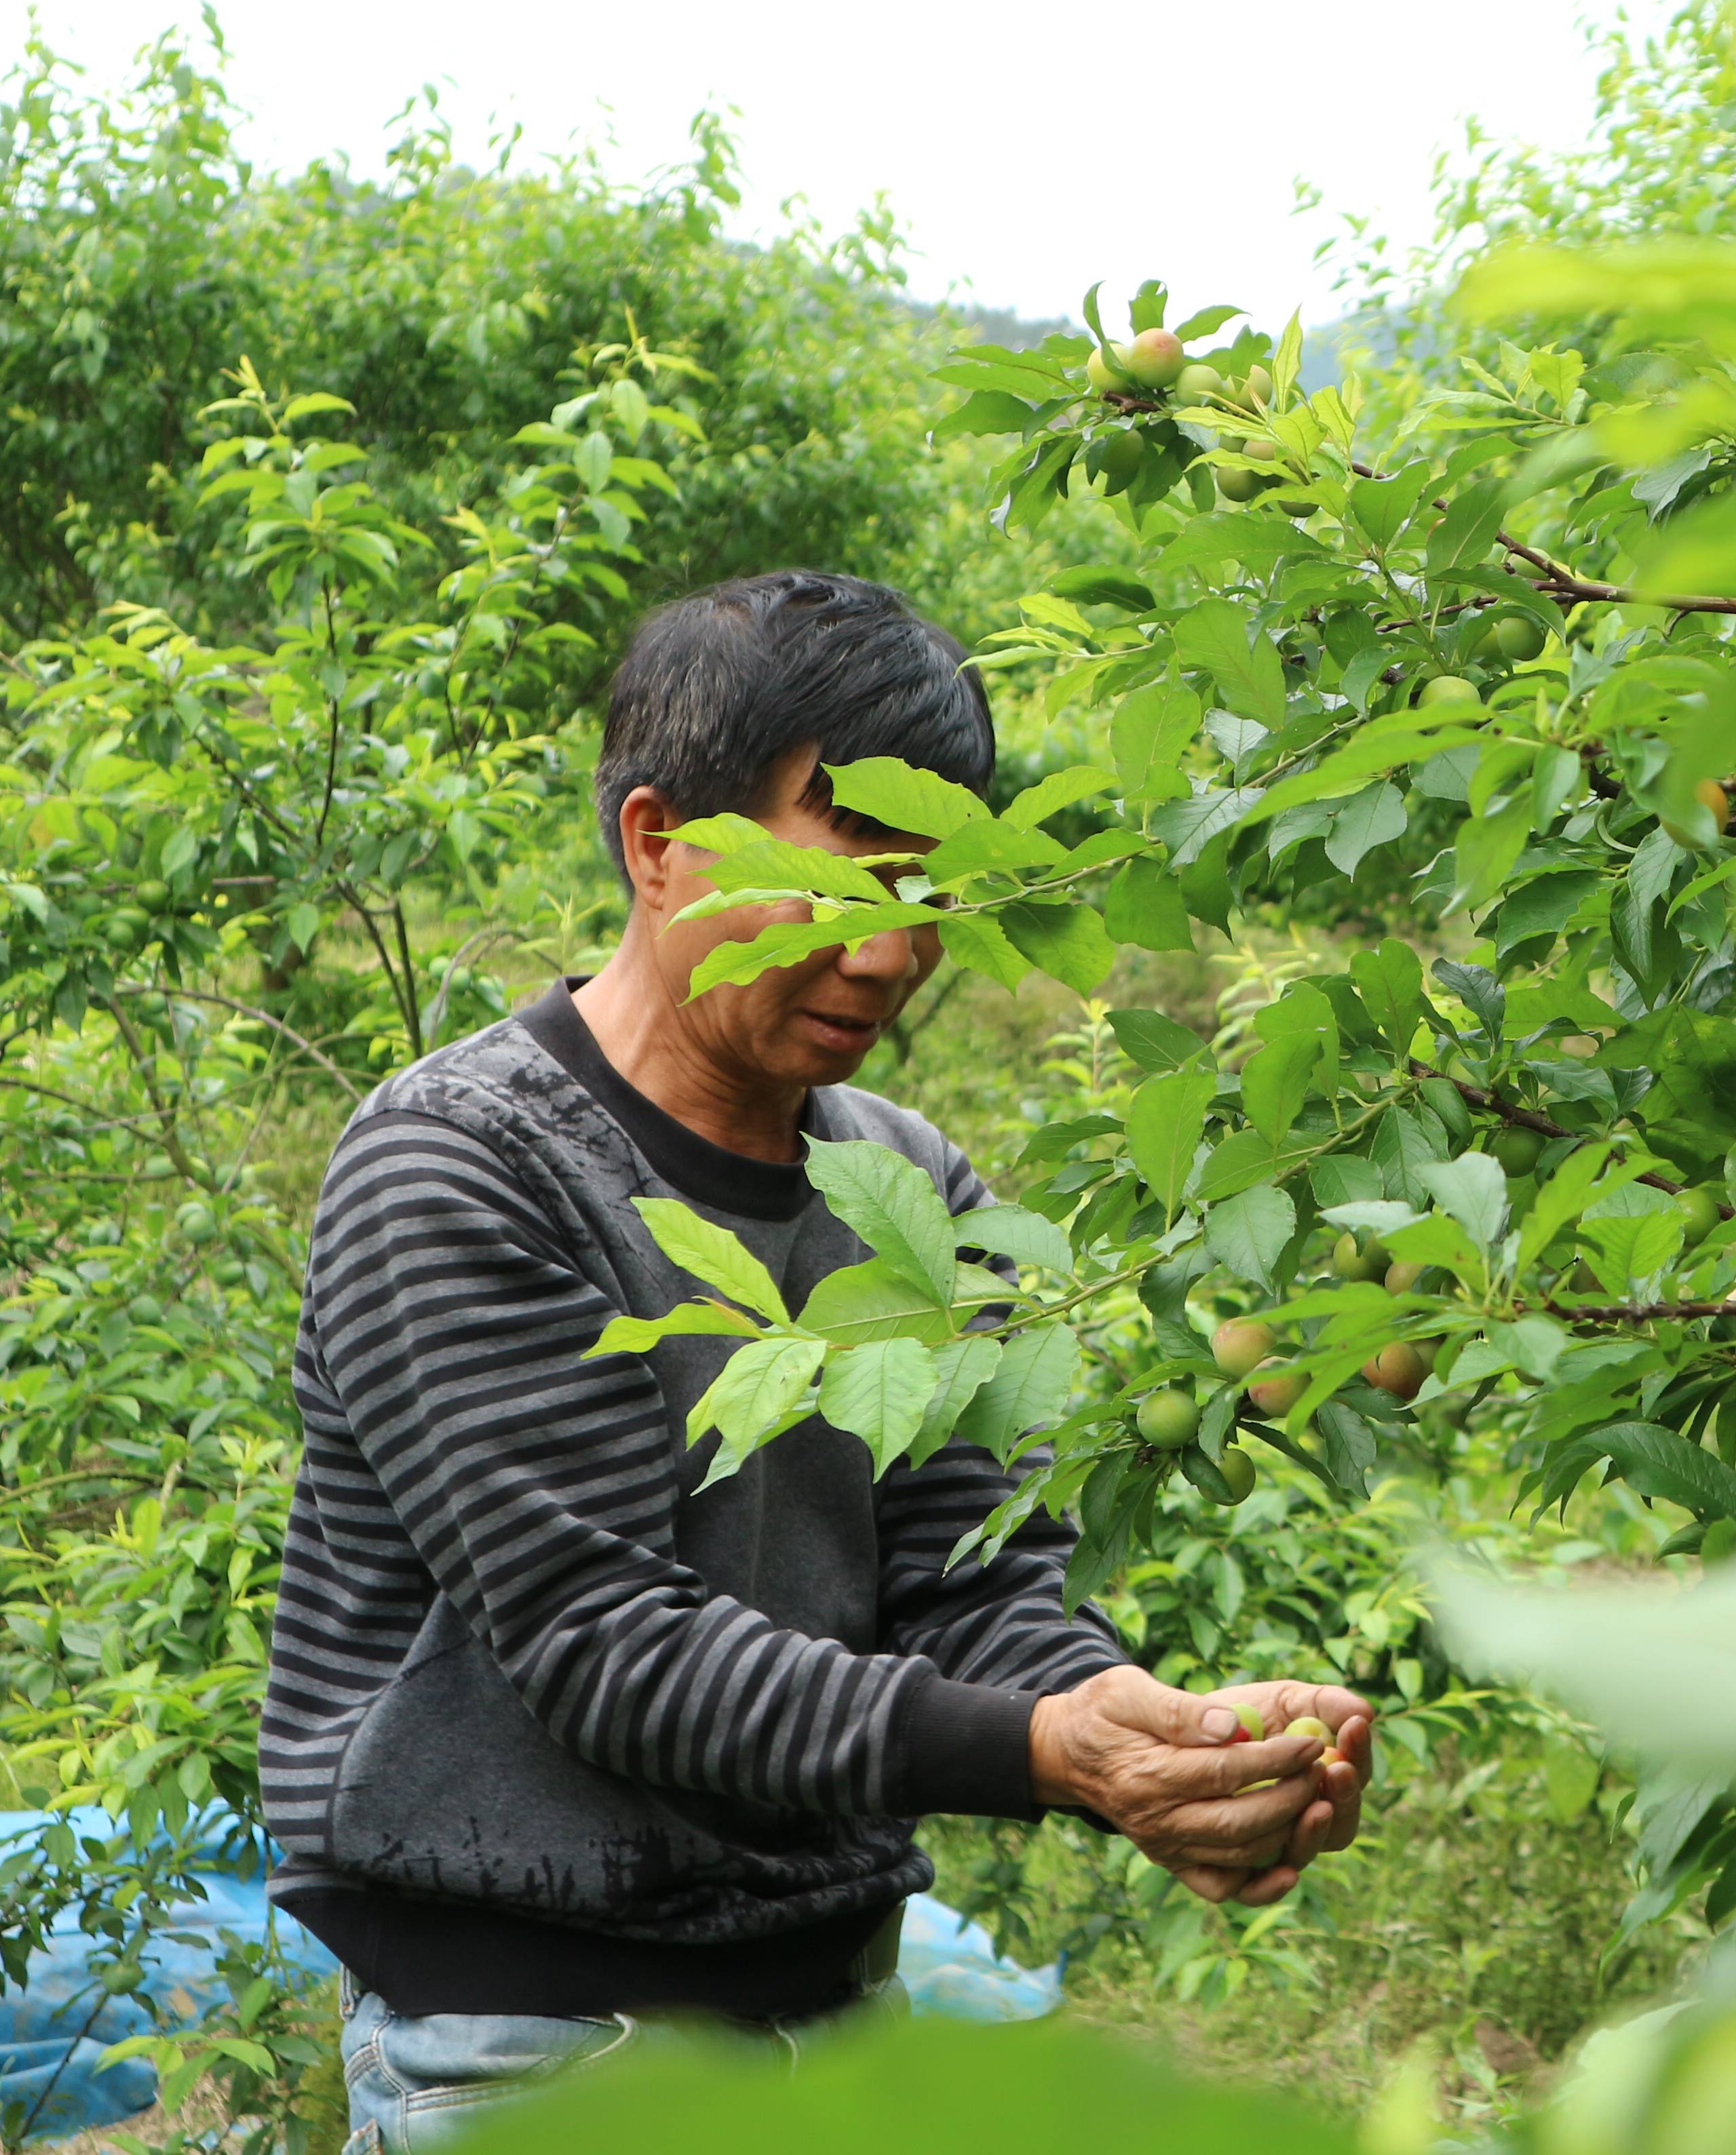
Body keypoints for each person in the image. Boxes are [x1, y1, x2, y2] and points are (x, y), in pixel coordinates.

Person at [257, 572, 1370, 2152]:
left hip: (842, 2020)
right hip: (533, 2054)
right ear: (659, 844)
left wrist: (1156, 1741)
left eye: (930, 896)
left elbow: (977, 1579)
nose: (894, 953)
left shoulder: (910, 1191)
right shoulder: (461, 1166)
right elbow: (604, 1645)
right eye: (848, 884)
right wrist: (1055, 1756)